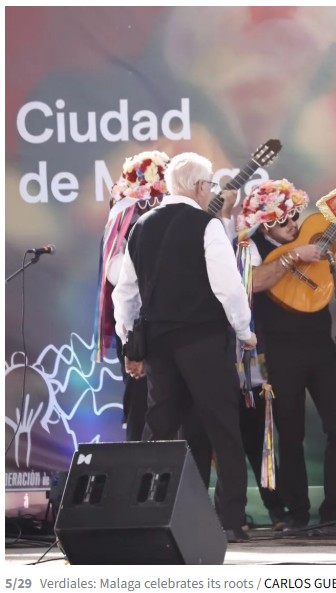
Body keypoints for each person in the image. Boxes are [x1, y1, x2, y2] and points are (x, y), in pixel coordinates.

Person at [112, 152, 256, 543]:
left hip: (159, 344)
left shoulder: (141, 226)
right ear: (198, 187)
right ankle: (230, 519)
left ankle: (146, 511)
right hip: (204, 339)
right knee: (222, 428)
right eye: (209, 184)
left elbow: (125, 292)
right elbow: (228, 287)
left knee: (159, 426)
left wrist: (129, 339)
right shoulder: (207, 225)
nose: (210, 190)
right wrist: (244, 330)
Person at [236, 180, 336, 528]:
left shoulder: (314, 236)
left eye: (294, 216)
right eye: (283, 221)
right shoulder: (252, 246)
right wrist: (294, 256)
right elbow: (254, 282)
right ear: (266, 224)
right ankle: (296, 512)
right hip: (279, 351)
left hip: (322, 346)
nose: (292, 225)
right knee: (290, 433)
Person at [96, 150, 170, 441]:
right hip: (137, 330)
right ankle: (137, 464)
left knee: (174, 404)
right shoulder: (121, 225)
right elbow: (116, 275)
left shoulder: (176, 219)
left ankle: (178, 467)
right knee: (140, 403)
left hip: (173, 325)